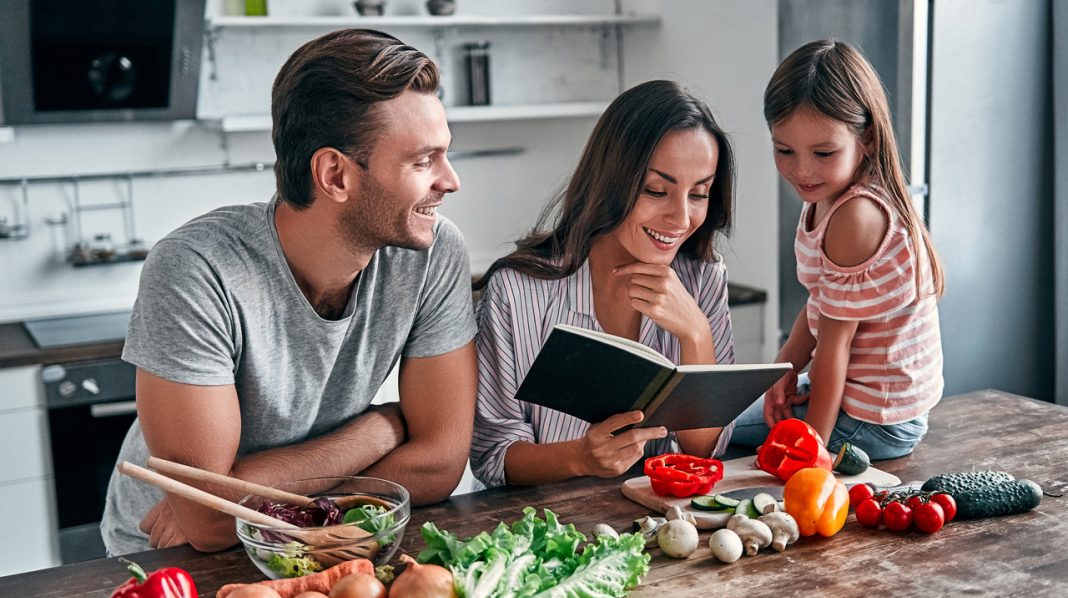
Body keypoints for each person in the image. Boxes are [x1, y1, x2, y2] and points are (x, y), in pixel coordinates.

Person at [101, 29, 477, 555]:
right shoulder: (196, 268)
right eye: (423, 161)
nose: (450, 180)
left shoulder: (433, 251)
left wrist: (281, 502)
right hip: (169, 553)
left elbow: (439, 464)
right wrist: (381, 429)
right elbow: (209, 523)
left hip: (318, 538)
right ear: (334, 175)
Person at [471, 80, 738, 488]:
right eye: (656, 190)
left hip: (663, 525)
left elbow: (706, 451)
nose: (681, 218)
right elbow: (494, 457)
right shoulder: (516, 291)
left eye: (699, 194)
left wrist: (696, 334)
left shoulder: (703, 279)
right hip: (547, 527)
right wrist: (579, 457)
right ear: (611, 180)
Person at [731, 40, 945, 459]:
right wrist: (784, 371)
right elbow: (821, 302)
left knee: (705, 428)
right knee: (711, 418)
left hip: (876, 419)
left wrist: (811, 454)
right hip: (857, 396)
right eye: (784, 150)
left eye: (823, 152)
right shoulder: (827, 193)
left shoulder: (856, 216)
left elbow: (834, 347)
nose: (802, 170)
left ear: (865, 138)